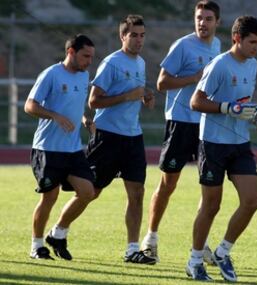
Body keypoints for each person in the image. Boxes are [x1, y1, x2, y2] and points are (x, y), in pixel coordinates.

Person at [140, 0, 221, 264]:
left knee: (209, 187)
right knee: (168, 183)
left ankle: (202, 244)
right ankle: (150, 238)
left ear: (217, 22)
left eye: (208, 18)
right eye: (199, 17)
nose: (203, 23)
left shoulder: (219, 47)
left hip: (207, 124)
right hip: (180, 122)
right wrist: (194, 77)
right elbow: (162, 83)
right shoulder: (183, 45)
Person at [185, 16, 257, 282]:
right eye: (252, 42)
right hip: (213, 145)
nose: (256, 47)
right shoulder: (219, 65)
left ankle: (222, 251)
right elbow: (196, 101)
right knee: (211, 206)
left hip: (240, 144)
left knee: (251, 202)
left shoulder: (253, 64)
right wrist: (226, 108)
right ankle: (195, 261)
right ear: (237, 39)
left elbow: (242, 103)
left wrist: (254, 115)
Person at [86, 14, 156, 264]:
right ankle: (58, 231)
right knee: (90, 192)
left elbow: (135, 93)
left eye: (142, 35)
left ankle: (132, 250)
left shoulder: (141, 62)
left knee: (137, 193)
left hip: (133, 136)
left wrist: (145, 96)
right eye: (134, 35)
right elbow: (93, 101)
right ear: (122, 36)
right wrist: (129, 95)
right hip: (108, 136)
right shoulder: (111, 62)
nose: (139, 40)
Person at [25, 34, 96, 260]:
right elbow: (29, 106)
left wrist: (85, 120)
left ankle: (58, 233)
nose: (89, 61)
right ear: (71, 52)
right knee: (50, 196)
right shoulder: (51, 74)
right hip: (47, 148)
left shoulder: (84, 76)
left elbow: (74, 105)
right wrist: (54, 115)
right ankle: (36, 246)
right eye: (85, 56)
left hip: (73, 149)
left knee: (87, 192)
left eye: (91, 57)